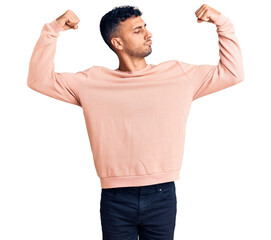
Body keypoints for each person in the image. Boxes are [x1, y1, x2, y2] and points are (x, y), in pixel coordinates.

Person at [27, 4, 244, 240]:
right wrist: (53, 29)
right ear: (117, 43)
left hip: (162, 193)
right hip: (115, 196)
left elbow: (233, 73)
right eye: (138, 30)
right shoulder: (91, 82)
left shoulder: (178, 75)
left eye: (145, 27)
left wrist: (223, 23)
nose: (148, 34)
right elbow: (39, 80)